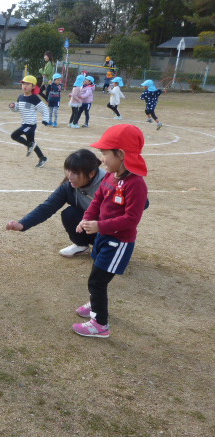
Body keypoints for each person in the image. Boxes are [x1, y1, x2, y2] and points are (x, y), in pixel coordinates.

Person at [72, 124, 148, 338]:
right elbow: (97, 200)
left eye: (105, 154)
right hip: (104, 237)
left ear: (121, 154)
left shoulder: (136, 184)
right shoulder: (109, 176)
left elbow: (132, 219)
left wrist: (100, 226)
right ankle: (95, 302)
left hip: (118, 243)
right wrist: (87, 218)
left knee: (97, 280)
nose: (102, 158)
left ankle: (100, 324)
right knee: (96, 275)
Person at [6, 149, 107, 257]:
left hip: (110, 229)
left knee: (101, 260)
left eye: (75, 173)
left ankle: (107, 247)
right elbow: (48, 207)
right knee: (70, 213)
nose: (69, 176)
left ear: (91, 173)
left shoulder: (109, 184)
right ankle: (81, 245)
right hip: (92, 227)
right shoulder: (69, 186)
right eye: (68, 170)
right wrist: (22, 224)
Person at [8, 75, 50, 168]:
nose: (25, 86)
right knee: (32, 143)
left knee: (14, 135)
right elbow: (18, 109)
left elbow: (44, 109)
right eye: (23, 84)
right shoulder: (20, 97)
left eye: (28, 84)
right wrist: (13, 107)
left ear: (33, 86)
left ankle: (30, 145)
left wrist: (45, 120)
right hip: (24, 123)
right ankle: (42, 158)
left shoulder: (34, 98)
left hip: (30, 125)